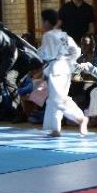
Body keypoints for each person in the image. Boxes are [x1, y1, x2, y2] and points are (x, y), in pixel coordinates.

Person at [38, 9, 88, 137]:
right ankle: (55, 128)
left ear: (47, 22)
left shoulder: (48, 36)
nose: (42, 24)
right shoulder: (64, 35)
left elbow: (48, 54)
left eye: (42, 21)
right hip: (65, 69)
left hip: (56, 69)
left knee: (58, 100)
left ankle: (80, 118)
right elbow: (76, 51)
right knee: (53, 99)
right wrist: (68, 59)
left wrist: (39, 54)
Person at [70, 33, 97, 109]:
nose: (83, 46)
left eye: (86, 44)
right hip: (82, 83)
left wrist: (90, 68)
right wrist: (76, 73)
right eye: (81, 44)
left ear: (93, 44)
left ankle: (84, 111)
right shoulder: (81, 58)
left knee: (88, 89)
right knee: (71, 86)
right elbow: (75, 75)